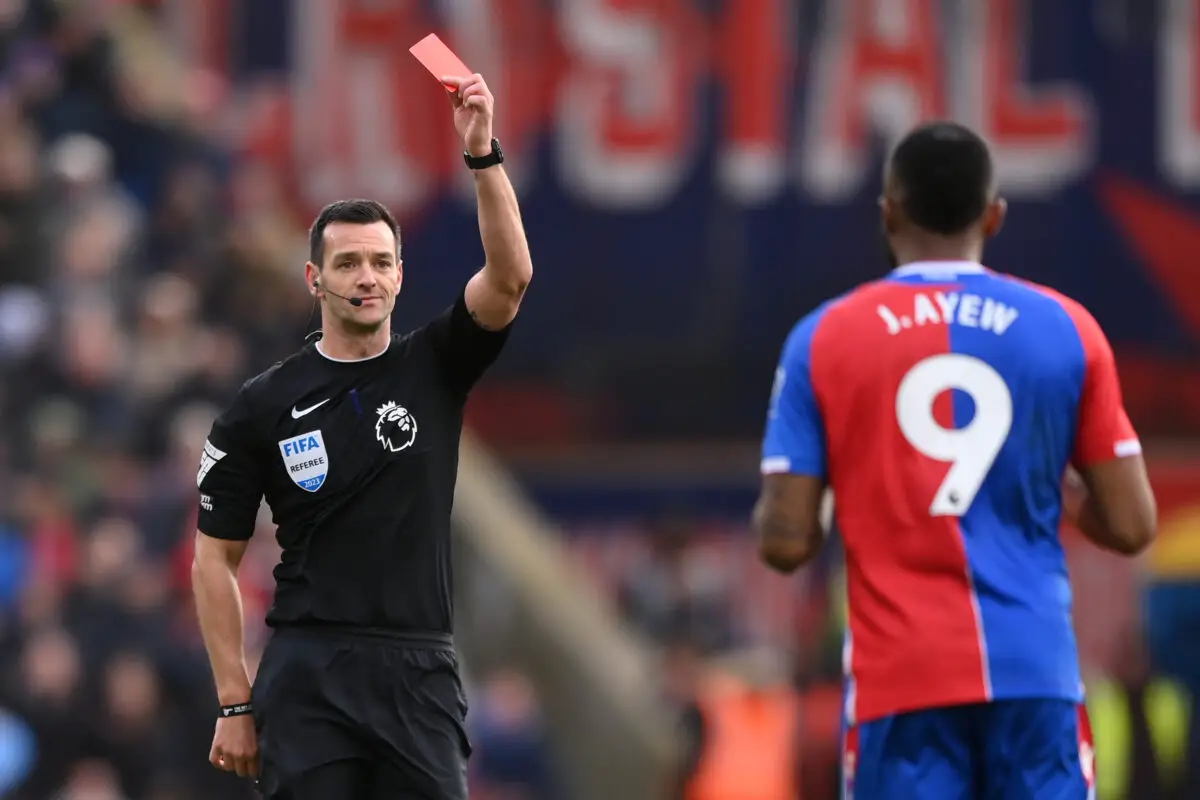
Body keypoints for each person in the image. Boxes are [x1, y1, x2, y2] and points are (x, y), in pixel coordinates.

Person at [752, 121, 1157, 798]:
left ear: (888, 212)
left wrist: (845, 483)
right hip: (1034, 676)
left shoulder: (823, 339)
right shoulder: (1066, 329)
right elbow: (1133, 524)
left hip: (900, 686)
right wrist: (1054, 490)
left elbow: (786, 541)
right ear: (994, 216)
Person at [190, 72, 532, 799]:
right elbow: (213, 560)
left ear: (401, 277)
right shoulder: (261, 406)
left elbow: (510, 279)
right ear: (315, 279)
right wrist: (233, 698)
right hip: (308, 674)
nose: (366, 277)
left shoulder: (434, 364)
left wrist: (482, 154)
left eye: (380, 262)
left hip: (419, 670)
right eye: (348, 263)